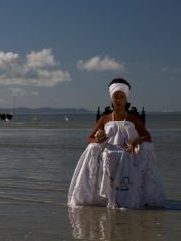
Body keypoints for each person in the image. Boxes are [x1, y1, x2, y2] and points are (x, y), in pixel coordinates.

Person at [68, 78, 165, 209]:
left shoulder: (133, 118)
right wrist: (99, 139)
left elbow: (147, 136)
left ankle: (130, 196)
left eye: (122, 97)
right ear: (111, 99)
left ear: (126, 99)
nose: (118, 100)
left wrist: (134, 142)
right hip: (108, 150)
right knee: (95, 149)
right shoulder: (105, 119)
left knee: (127, 155)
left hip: (129, 150)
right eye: (116, 97)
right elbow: (89, 138)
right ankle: (101, 196)